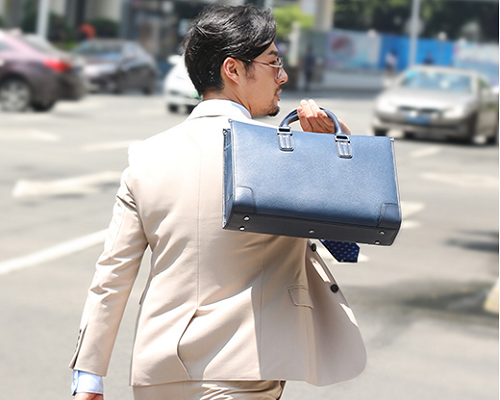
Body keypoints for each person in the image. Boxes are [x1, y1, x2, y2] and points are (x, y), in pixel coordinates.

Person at [69, 5, 365, 400]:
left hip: (158, 373)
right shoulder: (281, 156)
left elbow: (113, 274)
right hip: (242, 369)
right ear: (233, 69)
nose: (283, 76)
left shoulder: (145, 157)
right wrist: (332, 150)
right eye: (273, 62)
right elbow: (347, 237)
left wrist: (89, 375)